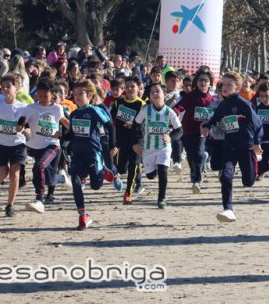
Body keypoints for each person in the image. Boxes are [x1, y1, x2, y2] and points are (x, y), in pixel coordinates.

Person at [201, 72, 262, 223]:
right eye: (224, 84)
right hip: (229, 146)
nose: (225, 87)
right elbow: (215, 118)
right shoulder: (223, 105)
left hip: (246, 146)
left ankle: (256, 161)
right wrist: (207, 126)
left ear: (238, 88)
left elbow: (257, 123)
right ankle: (228, 209)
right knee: (226, 176)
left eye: (229, 85)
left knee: (248, 181)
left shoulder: (244, 104)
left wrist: (257, 142)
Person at [63, 79, 121, 230]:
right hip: (77, 155)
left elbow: (110, 126)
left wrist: (113, 145)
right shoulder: (73, 114)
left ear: (89, 96)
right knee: (75, 181)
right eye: (75, 94)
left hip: (93, 153)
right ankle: (82, 215)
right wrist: (60, 136)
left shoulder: (94, 111)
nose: (77, 97)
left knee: (95, 186)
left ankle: (103, 171)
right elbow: (71, 135)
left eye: (80, 94)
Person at [21, 79, 69, 213]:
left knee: (39, 166)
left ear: (53, 94)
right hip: (34, 145)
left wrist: (69, 133)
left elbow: (65, 121)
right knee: (47, 175)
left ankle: (39, 199)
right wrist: (24, 127)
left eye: (45, 96)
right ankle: (61, 178)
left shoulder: (57, 108)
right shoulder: (30, 108)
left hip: (51, 144)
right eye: (39, 95)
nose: (42, 99)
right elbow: (22, 122)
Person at [133, 83, 182, 209]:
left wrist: (170, 138)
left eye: (157, 91)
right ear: (149, 96)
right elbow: (135, 126)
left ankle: (161, 199)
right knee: (150, 176)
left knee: (163, 171)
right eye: (152, 92)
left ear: (164, 94)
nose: (154, 94)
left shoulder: (169, 112)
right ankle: (152, 169)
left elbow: (179, 130)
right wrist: (137, 143)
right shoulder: (145, 110)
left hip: (163, 147)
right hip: (148, 148)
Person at [0, 74, 28, 217]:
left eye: (8, 86)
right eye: (2, 87)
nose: (4, 89)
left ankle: (10, 205)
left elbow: (31, 123)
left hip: (18, 144)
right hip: (1, 144)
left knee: (14, 175)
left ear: (17, 89)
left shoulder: (24, 107)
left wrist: (28, 130)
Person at [173, 71, 214, 192]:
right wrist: (174, 112)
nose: (203, 82)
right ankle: (194, 173)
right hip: (188, 131)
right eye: (200, 80)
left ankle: (197, 181)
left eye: (206, 80)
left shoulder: (212, 100)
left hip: (202, 132)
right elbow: (180, 106)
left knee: (199, 154)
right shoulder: (190, 96)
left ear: (210, 84)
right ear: (196, 82)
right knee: (191, 157)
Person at [111, 76, 145, 204]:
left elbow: (146, 124)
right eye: (127, 86)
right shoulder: (118, 103)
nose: (130, 89)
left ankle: (128, 194)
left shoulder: (142, 105)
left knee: (133, 165)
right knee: (121, 169)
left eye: (133, 86)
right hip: (121, 140)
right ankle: (118, 176)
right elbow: (110, 120)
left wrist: (134, 125)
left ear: (138, 88)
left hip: (136, 140)